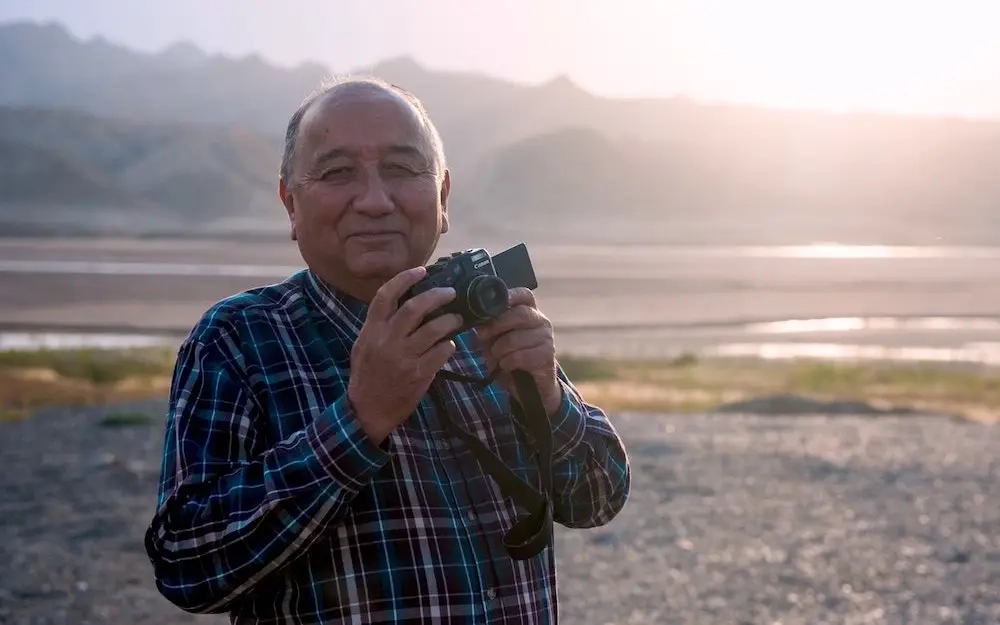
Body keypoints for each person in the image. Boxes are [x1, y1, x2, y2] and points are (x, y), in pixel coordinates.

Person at [144, 76, 631, 624]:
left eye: (401, 169)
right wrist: (358, 421)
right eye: (336, 172)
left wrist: (547, 400)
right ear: (290, 203)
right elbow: (186, 567)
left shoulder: (484, 320)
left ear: (443, 197)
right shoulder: (240, 338)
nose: (375, 200)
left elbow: (599, 497)